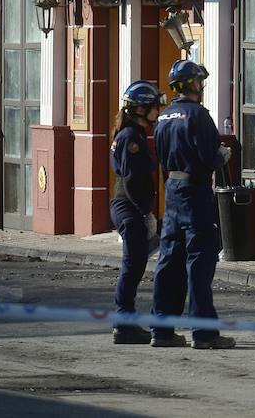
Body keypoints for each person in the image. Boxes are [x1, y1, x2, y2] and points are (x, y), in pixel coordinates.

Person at [149, 60, 234, 350]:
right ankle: (205, 333)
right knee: (199, 263)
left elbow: (159, 158)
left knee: (169, 261)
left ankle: (161, 330)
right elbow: (210, 157)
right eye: (199, 81)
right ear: (193, 84)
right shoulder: (198, 115)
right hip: (195, 192)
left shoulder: (163, 117)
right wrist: (223, 155)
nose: (202, 85)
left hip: (172, 191)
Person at [109, 79, 165, 344]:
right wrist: (144, 213)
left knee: (136, 264)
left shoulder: (133, 134)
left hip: (128, 206)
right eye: (154, 106)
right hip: (129, 206)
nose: (158, 111)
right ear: (141, 109)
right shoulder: (131, 137)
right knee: (132, 267)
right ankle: (124, 323)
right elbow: (132, 179)